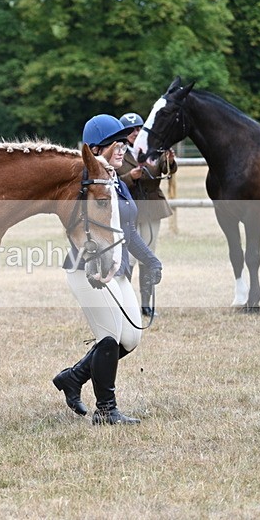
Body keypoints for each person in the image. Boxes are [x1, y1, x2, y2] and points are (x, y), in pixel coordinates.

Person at [53, 114, 162, 425]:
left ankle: (72, 378)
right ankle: (106, 410)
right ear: (96, 147)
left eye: (124, 141)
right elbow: (79, 228)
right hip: (88, 269)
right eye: (117, 141)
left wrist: (150, 259)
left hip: (118, 268)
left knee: (130, 338)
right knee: (110, 336)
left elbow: (127, 229)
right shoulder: (87, 183)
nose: (123, 146)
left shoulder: (115, 179)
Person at [117, 112, 178, 317]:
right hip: (128, 209)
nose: (135, 133)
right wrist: (130, 177)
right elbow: (113, 182)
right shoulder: (117, 153)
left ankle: (146, 304)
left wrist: (169, 160)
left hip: (151, 207)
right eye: (131, 130)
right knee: (130, 259)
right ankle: (125, 303)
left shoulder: (152, 149)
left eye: (138, 129)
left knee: (148, 256)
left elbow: (166, 169)